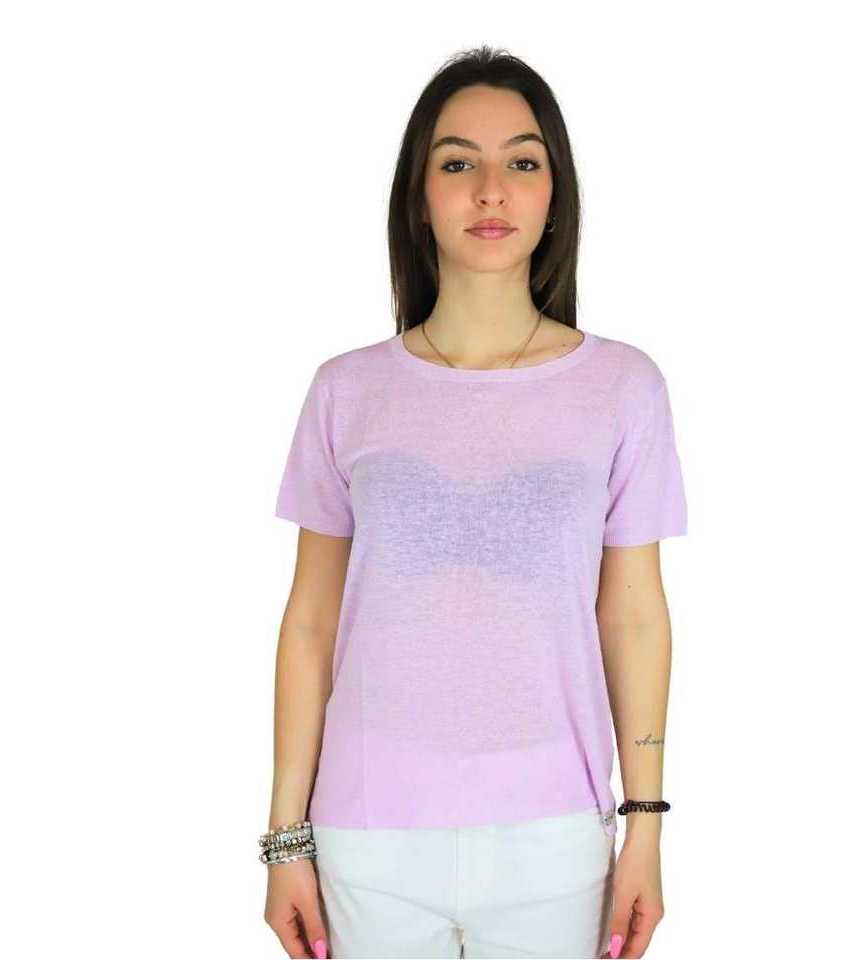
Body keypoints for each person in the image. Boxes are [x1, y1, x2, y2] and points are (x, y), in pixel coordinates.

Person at [262, 45, 688, 960]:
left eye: (522, 163)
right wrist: (284, 840)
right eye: (458, 163)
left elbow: (634, 617)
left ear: (554, 193)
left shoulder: (623, 387)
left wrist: (645, 826)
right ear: (419, 198)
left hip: (556, 840)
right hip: (367, 836)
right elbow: (311, 622)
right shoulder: (347, 390)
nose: (491, 190)